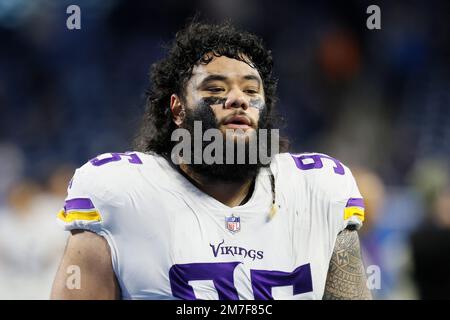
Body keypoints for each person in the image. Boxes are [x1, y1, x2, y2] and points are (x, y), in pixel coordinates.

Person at [51, 21, 371, 300]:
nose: (238, 99)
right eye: (215, 88)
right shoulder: (120, 193)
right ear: (177, 110)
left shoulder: (317, 189)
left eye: (250, 89)